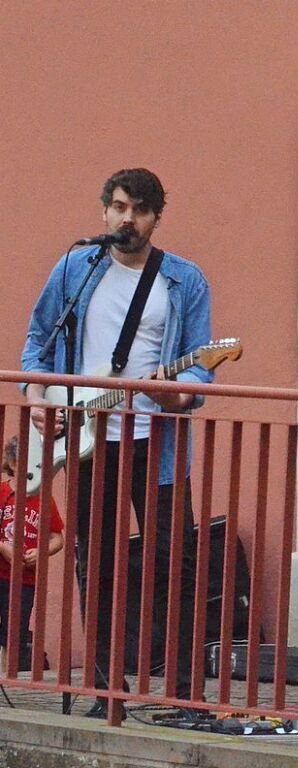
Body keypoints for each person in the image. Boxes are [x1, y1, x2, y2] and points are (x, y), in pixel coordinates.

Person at [21, 168, 213, 716]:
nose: (128, 219)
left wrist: (178, 396)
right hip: (86, 442)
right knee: (95, 561)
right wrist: (40, 398)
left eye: (141, 210)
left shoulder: (183, 280)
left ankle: (181, 690)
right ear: (104, 209)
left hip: (157, 442)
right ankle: (103, 689)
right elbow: (38, 342)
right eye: (120, 207)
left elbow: (201, 365)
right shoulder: (75, 269)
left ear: (156, 217)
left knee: (173, 558)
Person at [0, 436, 65, 670]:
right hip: (1, 570)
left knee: (13, 630)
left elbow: (57, 537)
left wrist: (41, 552)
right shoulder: (3, 492)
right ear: (13, 463)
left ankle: (8, 674)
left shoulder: (43, 498)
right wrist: (3, 546)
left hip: (24, 578)